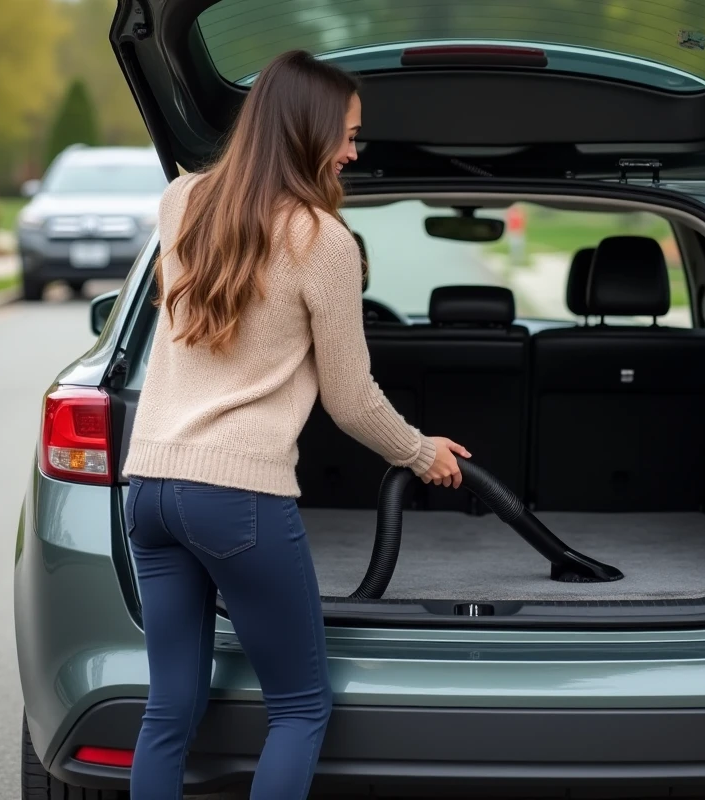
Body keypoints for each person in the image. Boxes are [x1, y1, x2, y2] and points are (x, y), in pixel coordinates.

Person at [120, 49, 470, 800]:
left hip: (148, 488)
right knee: (301, 708)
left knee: (168, 709)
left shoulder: (182, 200)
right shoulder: (324, 242)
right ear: (305, 132)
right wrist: (419, 452)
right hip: (234, 496)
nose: (353, 150)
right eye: (346, 134)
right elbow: (351, 397)